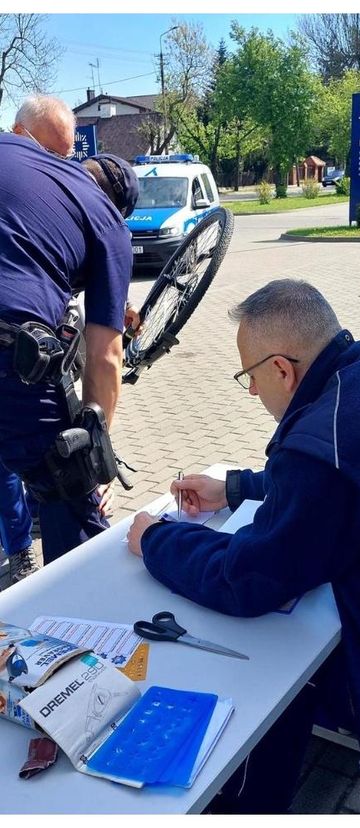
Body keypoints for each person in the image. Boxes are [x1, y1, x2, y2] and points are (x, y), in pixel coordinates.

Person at [126, 279, 360, 812]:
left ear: (280, 368)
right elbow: (355, 485)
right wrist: (235, 487)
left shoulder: (325, 445)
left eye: (249, 376)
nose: (251, 392)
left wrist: (156, 538)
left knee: (282, 671)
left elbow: (249, 580)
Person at [0, 95, 138, 573]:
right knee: (66, 480)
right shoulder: (107, 222)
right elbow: (105, 356)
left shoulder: (13, 149)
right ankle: (80, 636)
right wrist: (91, 456)